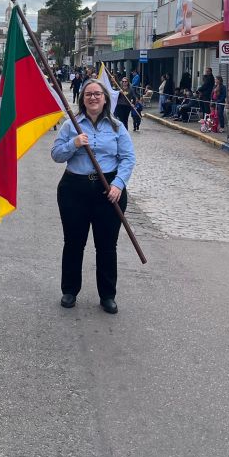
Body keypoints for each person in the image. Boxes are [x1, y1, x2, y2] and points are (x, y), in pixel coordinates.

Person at [50, 80, 135, 315]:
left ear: (105, 98)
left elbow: (128, 158)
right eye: (88, 94)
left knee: (107, 245)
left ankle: (107, 295)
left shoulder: (117, 127)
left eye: (97, 94)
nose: (93, 98)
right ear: (82, 99)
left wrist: (118, 185)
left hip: (108, 191)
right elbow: (56, 154)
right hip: (73, 190)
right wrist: (74, 143)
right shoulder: (71, 125)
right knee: (74, 242)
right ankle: (70, 290)